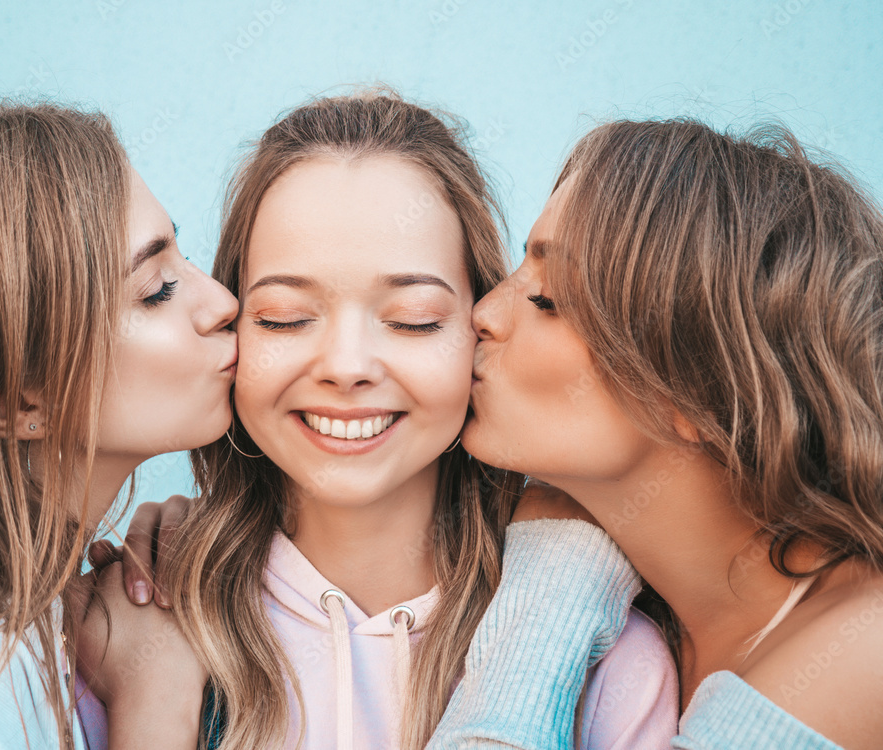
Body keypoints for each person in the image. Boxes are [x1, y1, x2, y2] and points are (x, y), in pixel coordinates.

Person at [99, 91, 678, 750]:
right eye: (284, 317)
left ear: (481, 327)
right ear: (231, 330)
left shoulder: (608, 665)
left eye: (414, 319)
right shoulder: (125, 629)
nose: (346, 367)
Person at [429, 118, 883, 749]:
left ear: (703, 390)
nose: (482, 313)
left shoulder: (861, 655)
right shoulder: (653, 618)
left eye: (547, 299)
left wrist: (552, 585)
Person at [0, 102, 238, 749]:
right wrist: (155, 694)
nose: (222, 303)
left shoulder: (18, 615)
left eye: (184, 262)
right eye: (158, 288)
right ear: (20, 401)